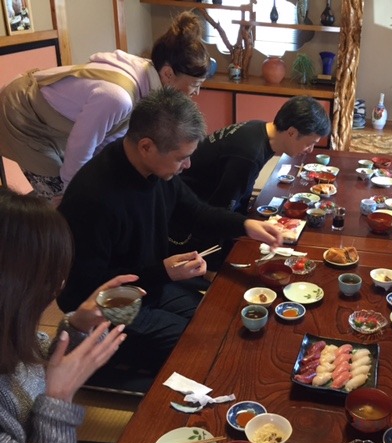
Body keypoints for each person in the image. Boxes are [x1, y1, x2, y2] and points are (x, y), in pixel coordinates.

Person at [57, 87, 282, 391]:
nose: (187, 166)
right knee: (201, 346)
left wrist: (246, 225)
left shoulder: (156, 172)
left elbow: (195, 212)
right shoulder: (94, 198)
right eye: (182, 158)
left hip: (149, 286)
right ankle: (104, 369)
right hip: (109, 307)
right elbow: (84, 290)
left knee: (220, 321)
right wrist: (163, 272)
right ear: (147, 147)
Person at [0, 11, 209, 201]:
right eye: (195, 85)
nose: (196, 93)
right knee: (60, 198)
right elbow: (81, 148)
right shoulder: (118, 97)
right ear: (168, 74)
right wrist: (75, 196)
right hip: (23, 114)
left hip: (50, 120)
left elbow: (108, 142)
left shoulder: (145, 76)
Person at [0, 187, 132, 443]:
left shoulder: (10, 330)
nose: (60, 285)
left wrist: (78, 327)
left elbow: (36, 369)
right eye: (50, 276)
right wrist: (59, 399)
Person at [169, 95, 331, 262]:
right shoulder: (248, 155)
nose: (310, 150)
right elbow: (222, 210)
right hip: (184, 221)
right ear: (291, 132)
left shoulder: (257, 128)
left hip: (200, 205)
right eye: (309, 143)